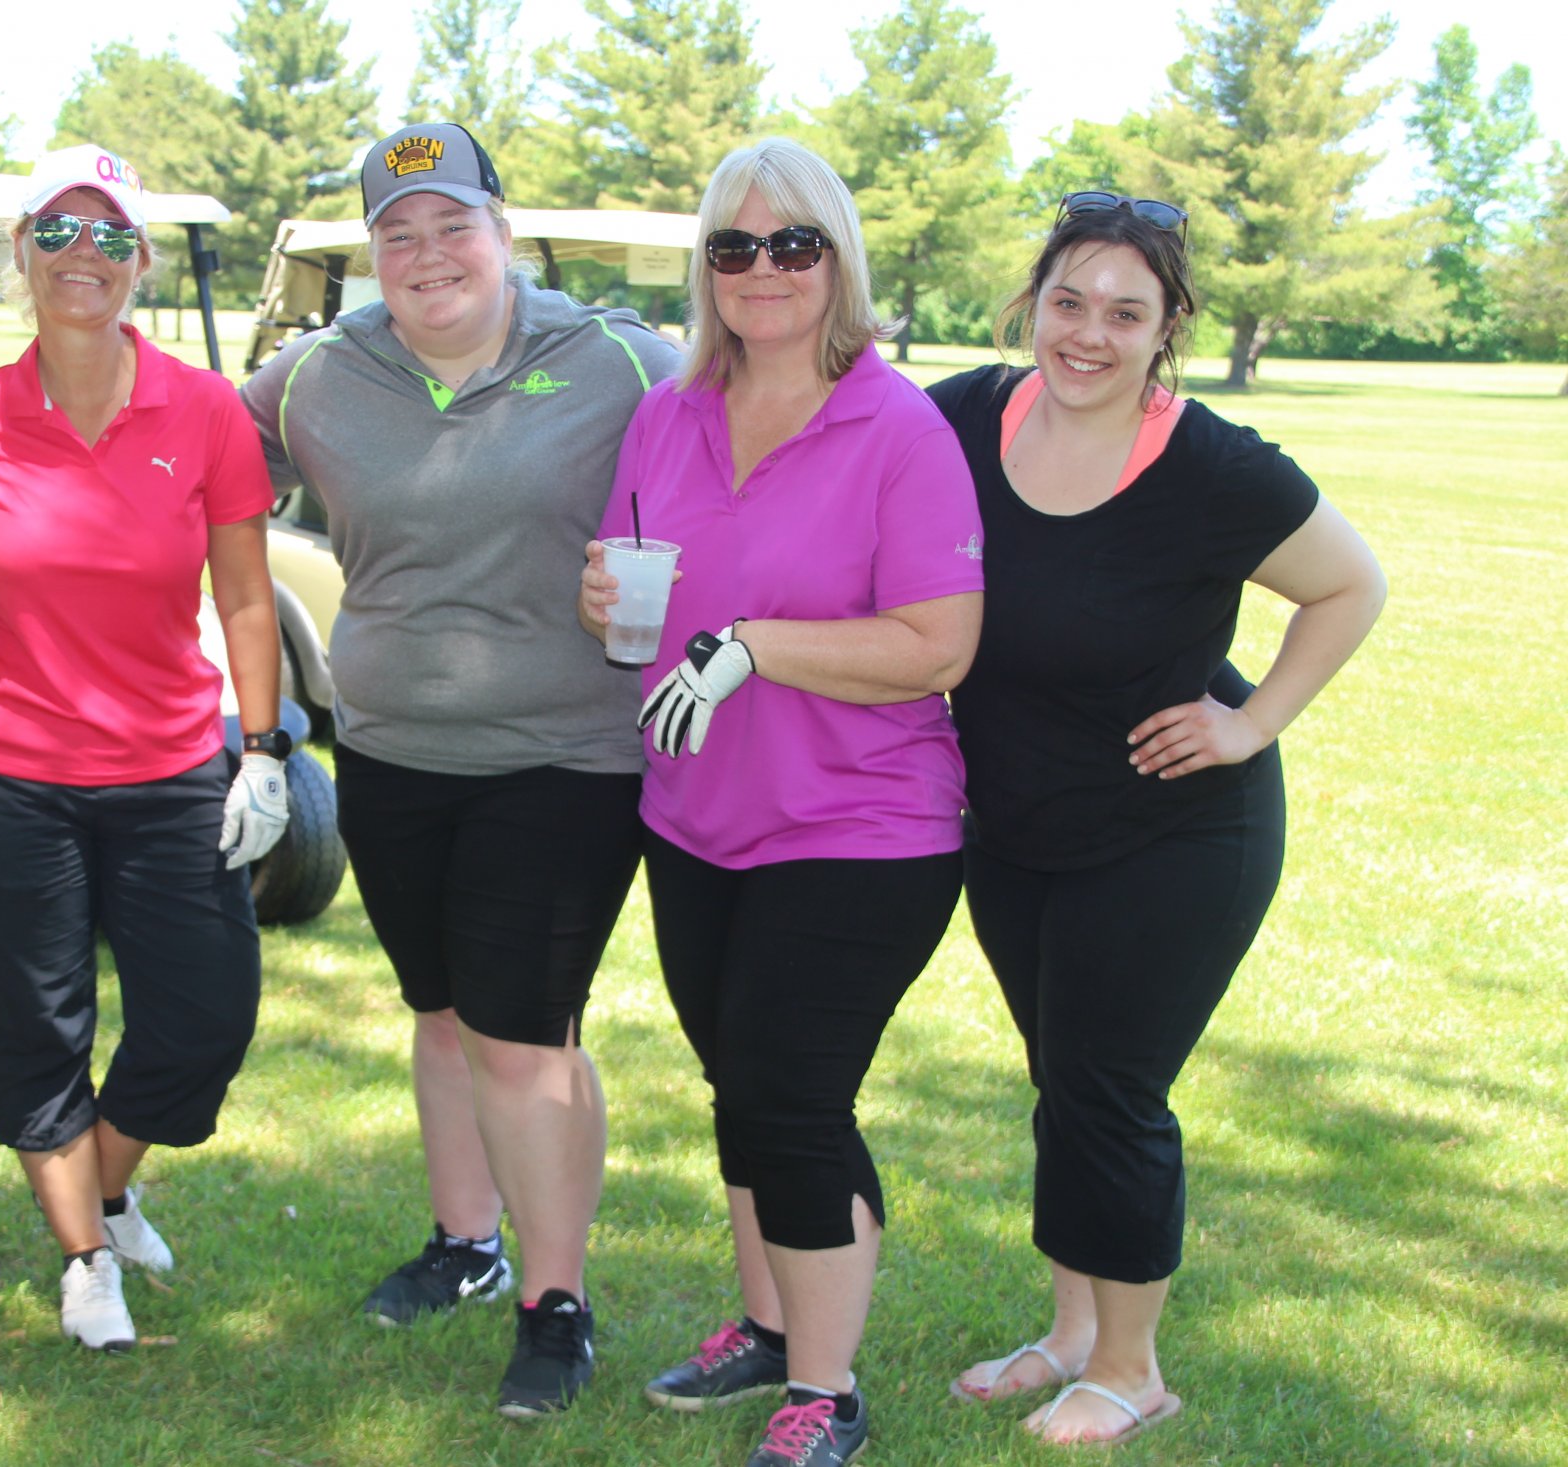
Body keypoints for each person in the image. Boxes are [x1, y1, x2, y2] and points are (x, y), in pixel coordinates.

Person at [926, 192, 1386, 1445]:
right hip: (1015, 822)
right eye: (1068, 302)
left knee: (1108, 1086)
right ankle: (1073, 1334)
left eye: (1125, 314)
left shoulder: (1212, 467)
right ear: (1031, 301)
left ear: (1167, 327)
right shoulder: (961, 417)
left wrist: (1250, 722)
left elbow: (1350, 585)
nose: (1088, 334)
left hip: (1175, 831)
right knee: (1060, 1080)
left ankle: (1132, 1370)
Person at [241, 122, 680, 1418]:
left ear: (502, 228)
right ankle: (466, 1242)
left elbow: (746, 460)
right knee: (439, 1011)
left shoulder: (616, 360)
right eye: (398, 233)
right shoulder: (318, 374)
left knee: (523, 1035)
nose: (428, 253)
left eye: (452, 224)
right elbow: (203, 465)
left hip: (563, 755)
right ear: (372, 253)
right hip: (388, 751)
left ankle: (557, 1301)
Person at [577, 137, 984, 1467]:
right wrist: (607, 600)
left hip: (862, 823)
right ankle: (764, 1327)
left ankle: (826, 1388)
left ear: (837, 259)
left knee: (789, 1092)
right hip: (697, 817)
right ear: (706, 268)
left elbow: (938, 644)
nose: (764, 269)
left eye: (793, 243)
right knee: (740, 1085)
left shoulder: (898, 428)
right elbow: (637, 586)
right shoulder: (668, 412)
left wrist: (754, 644)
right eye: (734, 246)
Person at [0, 144, 284, 1355]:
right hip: (4, 774)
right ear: (20, 252)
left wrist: (264, 749)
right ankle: (84, 1255)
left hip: (170, 766)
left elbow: (244, 595)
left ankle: (105, 1184)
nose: (87, 256)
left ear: (141, 262)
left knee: (206, 1016)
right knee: (38, 1024)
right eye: (61, 232)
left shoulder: (204, 408)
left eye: (113, 235)